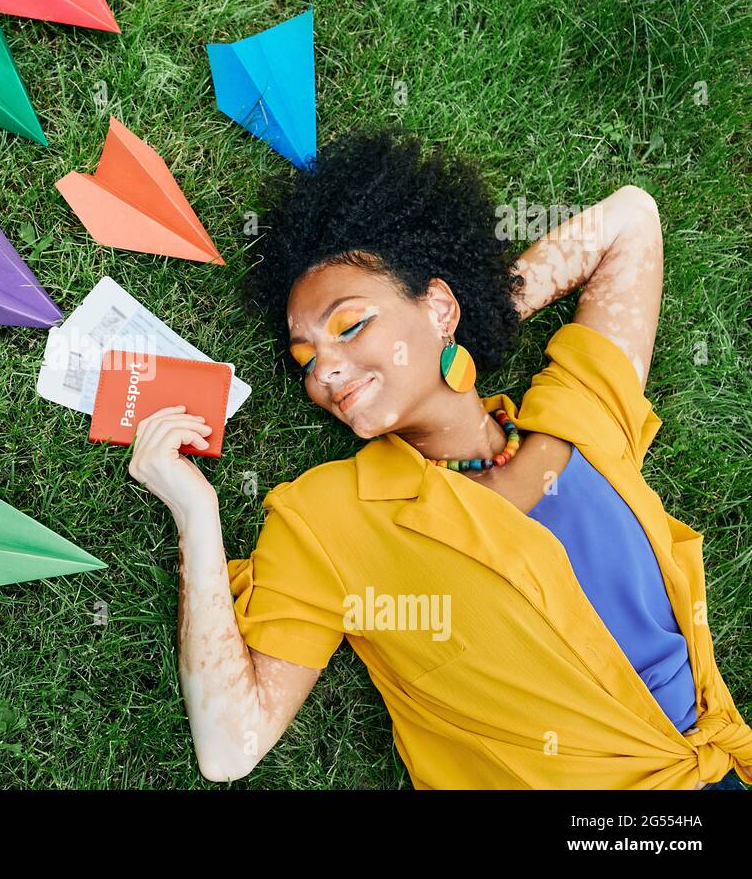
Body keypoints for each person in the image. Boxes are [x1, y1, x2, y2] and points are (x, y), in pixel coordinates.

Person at [126, 127, 752, 789]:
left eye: (349, 326)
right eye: (307, 360)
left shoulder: (581, 415)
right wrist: (195, 512)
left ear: (439, 304)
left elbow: (631, 219)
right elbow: (229, 747)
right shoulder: (329, 519)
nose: (327, 372)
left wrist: (477, 314)